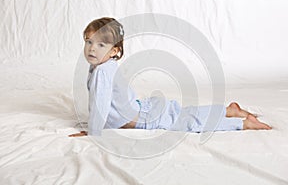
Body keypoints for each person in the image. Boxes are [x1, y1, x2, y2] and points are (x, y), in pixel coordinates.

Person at [69, 17, 271, 137]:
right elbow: (103, 103)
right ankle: (227, 110)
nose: (91, 49)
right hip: (143, 108)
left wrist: (93, 133)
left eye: (100, 45)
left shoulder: (102, 71)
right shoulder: (102, 66)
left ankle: (242, 123)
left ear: (114, 51)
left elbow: (100, 105)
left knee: (190, 123)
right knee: (186, 113)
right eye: (88, 42)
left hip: (145, 118)